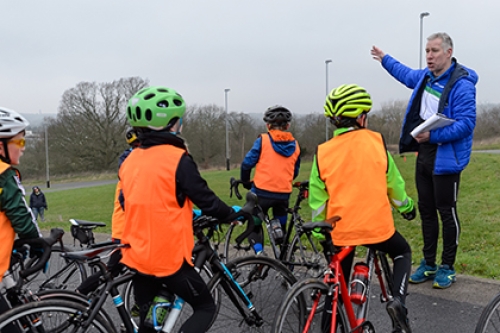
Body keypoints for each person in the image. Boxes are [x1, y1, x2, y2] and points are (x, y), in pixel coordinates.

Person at [119, 86, 239, 333]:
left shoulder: (130, 160)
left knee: (148, 325)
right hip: (167, 258)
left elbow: (126, 202)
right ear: (173, 124)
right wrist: (231, 215)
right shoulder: (177, 157)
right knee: (205, 307)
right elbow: (205, 198)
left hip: (138, 256)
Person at [371, 32, 478, 289]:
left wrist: (434, 135)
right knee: (427, 211)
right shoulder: (425, 77)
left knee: (446, 211)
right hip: (425, 153)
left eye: (434, 51)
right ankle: (428, 263)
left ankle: (447, 267)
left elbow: (467, 123)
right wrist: (385, 59)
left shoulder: (461, 84)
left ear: (448, 53)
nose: (429, 56)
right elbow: (405, 74)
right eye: (427, 51)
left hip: (446, 156)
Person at [309, 84, 416, 333]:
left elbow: (317, 200)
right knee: (402, 252)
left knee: (337, 287)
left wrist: (318, 232)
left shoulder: (322, 153)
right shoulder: (376, 142)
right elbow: (395, 187)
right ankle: (398, 301)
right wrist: (407, 207)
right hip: (377, 228)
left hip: (340, 231)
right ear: (361, 117)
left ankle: (330, 327)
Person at [76, 127, 140, 295]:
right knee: (111, 273)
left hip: (128, 229)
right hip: (126, 231)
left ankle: (143, 306)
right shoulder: (133, 168)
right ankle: (79, 295)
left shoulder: (130, 165)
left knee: (125, 271)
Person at [0, 107, 41, 327]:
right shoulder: (3, 175)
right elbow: (22, 217)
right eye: (21, 142)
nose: (23, 149)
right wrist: (38, 243)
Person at [240, 105, 300, 254]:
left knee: (253, 224)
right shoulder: (296, 145)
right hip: (283, 194)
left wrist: (246, 181)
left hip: (261, 192)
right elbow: (295, 171)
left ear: (268, 125)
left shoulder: (263, 140)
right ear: (288, 125)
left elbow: (247, 163)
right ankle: (285, 260)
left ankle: (260, 254)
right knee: (281, 228)